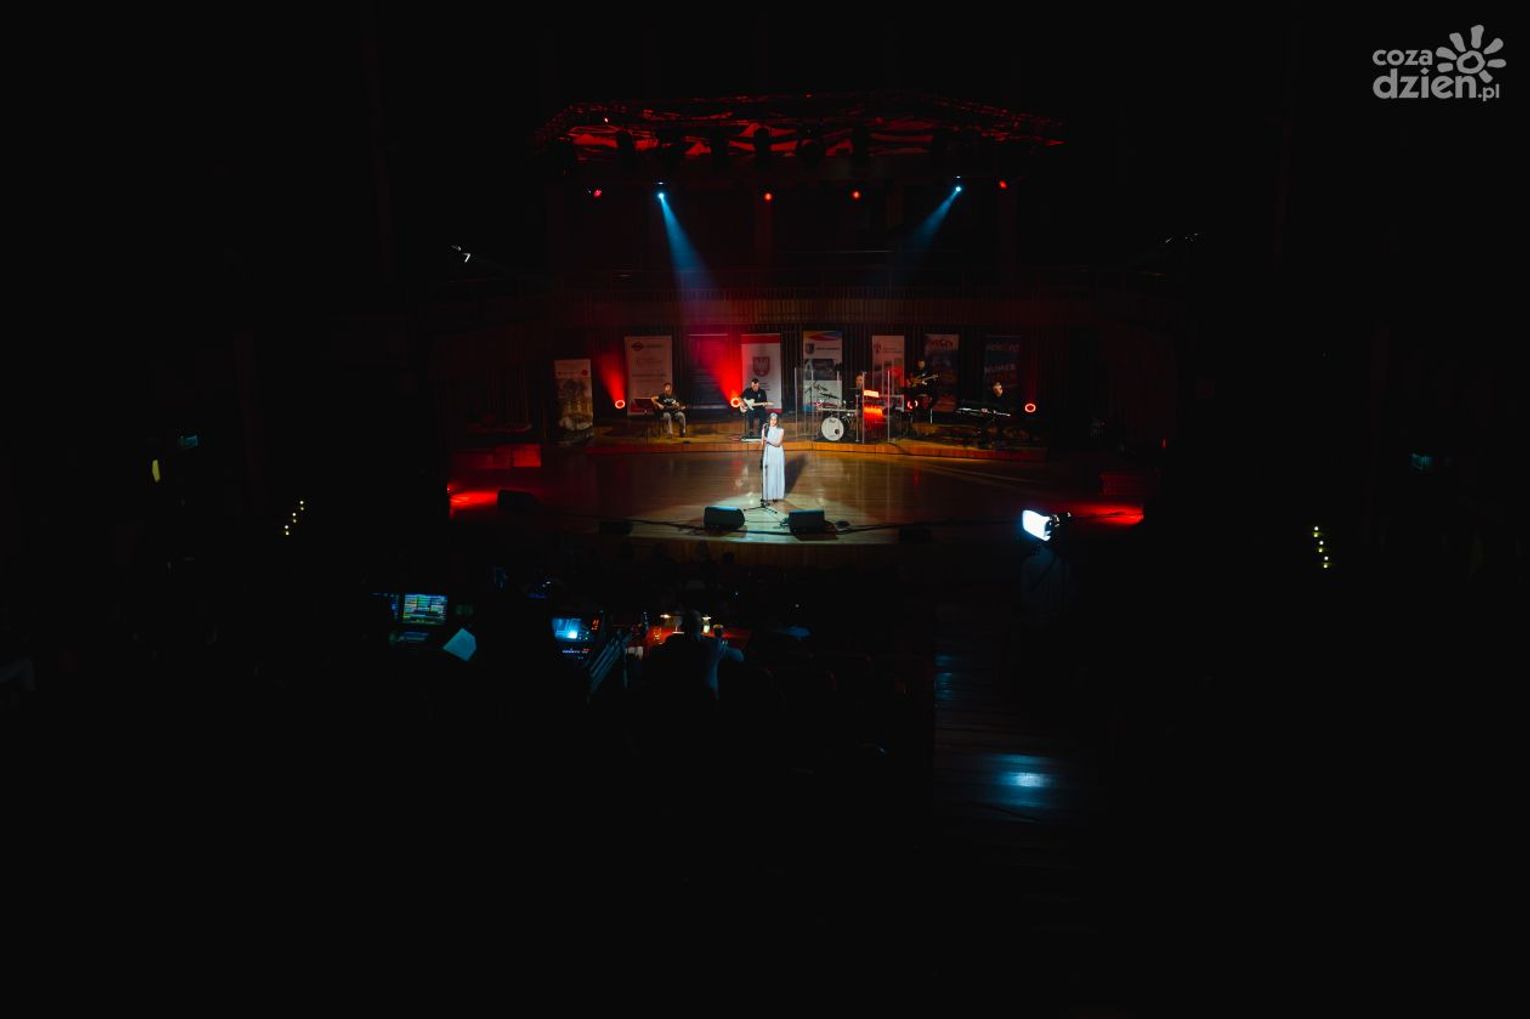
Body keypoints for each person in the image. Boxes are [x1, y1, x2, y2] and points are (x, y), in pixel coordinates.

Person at [979, 379, 1014, 447]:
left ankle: (1001, 441)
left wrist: (999, 411)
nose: (995, 387)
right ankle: (985, 441)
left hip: (1004, 416)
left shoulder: (1007, 396)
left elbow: (1008, 408)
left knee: (1000, 425)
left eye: (997, 385)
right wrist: (985, 408)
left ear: (1001, 387)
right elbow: (987, 405)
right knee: (986, 424)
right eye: (994, 386)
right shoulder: (990, 395)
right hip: (993, 415)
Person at [761, 411, 786, 503]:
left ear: (777, 421)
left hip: (777, 452)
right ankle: (767, 495)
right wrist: (763, 433)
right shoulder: (765, 430)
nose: (773, 421)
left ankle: (776, 495)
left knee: (776, 473)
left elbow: (778, 444)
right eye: (772, 419)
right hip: (768, 452)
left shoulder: (781, 430)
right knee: (768, 472)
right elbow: (762, 443)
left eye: (775, 420)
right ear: (769, 420)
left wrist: (767, 439)